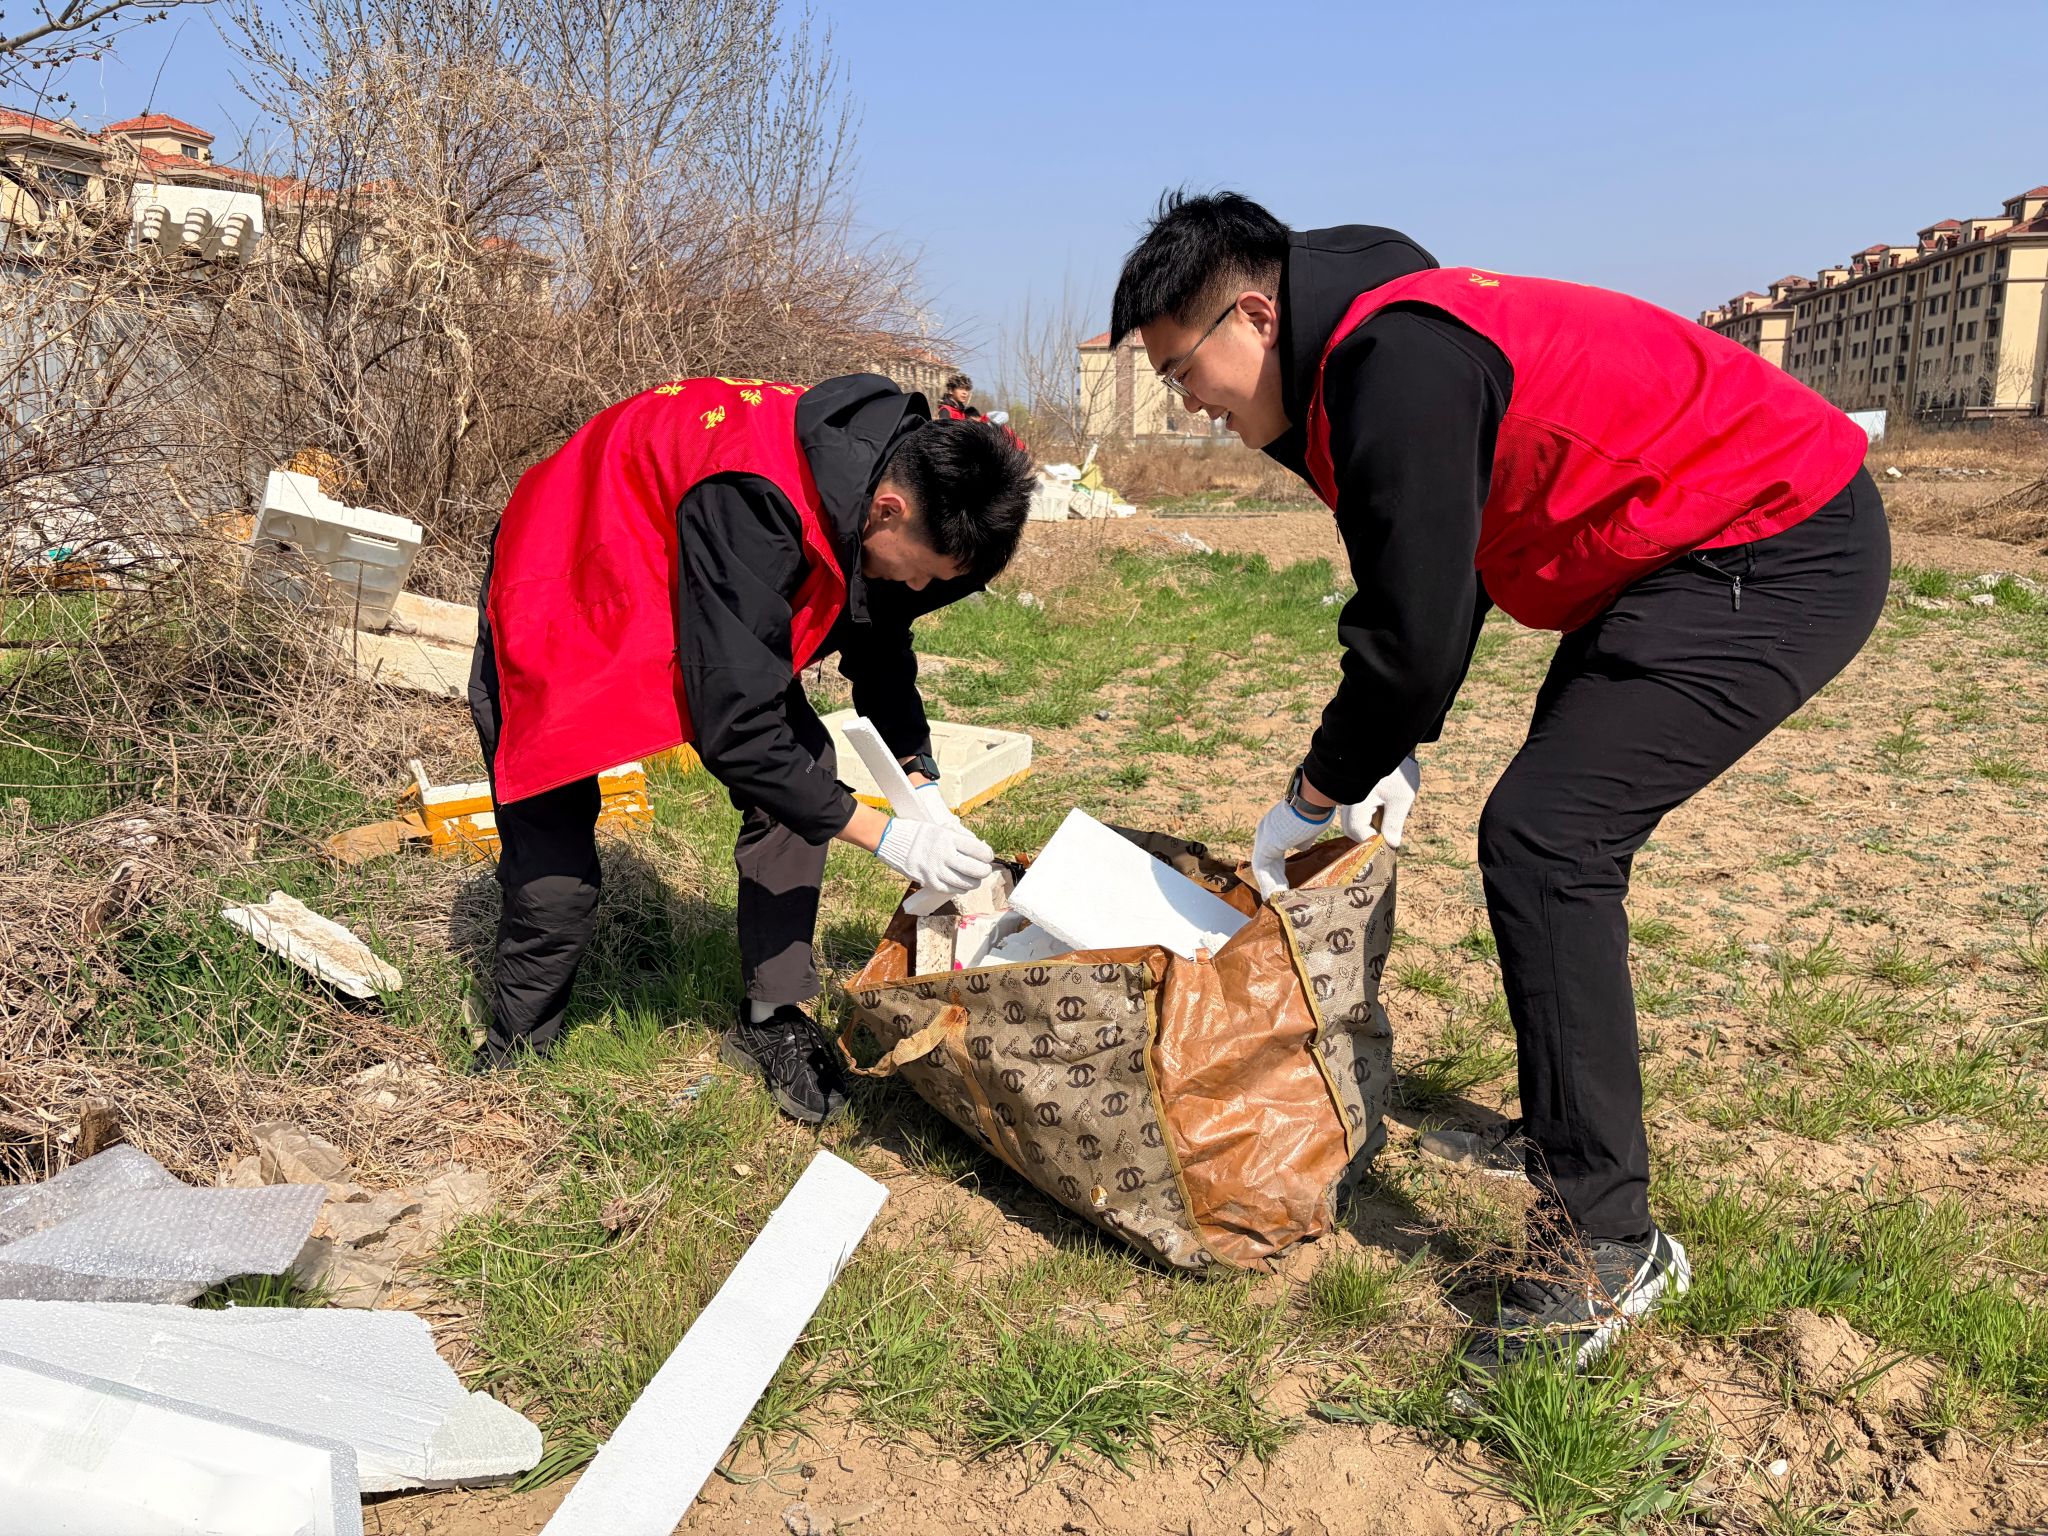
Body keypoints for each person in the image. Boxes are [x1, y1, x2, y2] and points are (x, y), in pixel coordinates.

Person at [1109, 192, 1888, 1378]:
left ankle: (1605, 1244)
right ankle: (1574, 1137)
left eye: (1182, 370)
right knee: (1544, 834)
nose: (1188, 403)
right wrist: (1394, 741)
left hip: (1770, 541)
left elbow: (1410, 633)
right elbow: (1436, 553)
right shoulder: (1358, 343)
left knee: (1545, 838)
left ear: (1254, 317)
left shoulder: (1390, 359)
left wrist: (1320, 786)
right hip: (1668, 554)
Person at [468, 372, 1034, 1122]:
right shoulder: (753, 501)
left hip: (693, 563)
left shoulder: (883, 481)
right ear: (890, 510)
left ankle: (771, 1017)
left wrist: (919, 782)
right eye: (923, 570)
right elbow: (736, 729)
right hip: (575, 576)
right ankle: (516, 1047)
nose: (918, 587)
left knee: (804, 774)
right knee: (555, 862)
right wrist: (888, 837)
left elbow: (880, 642)